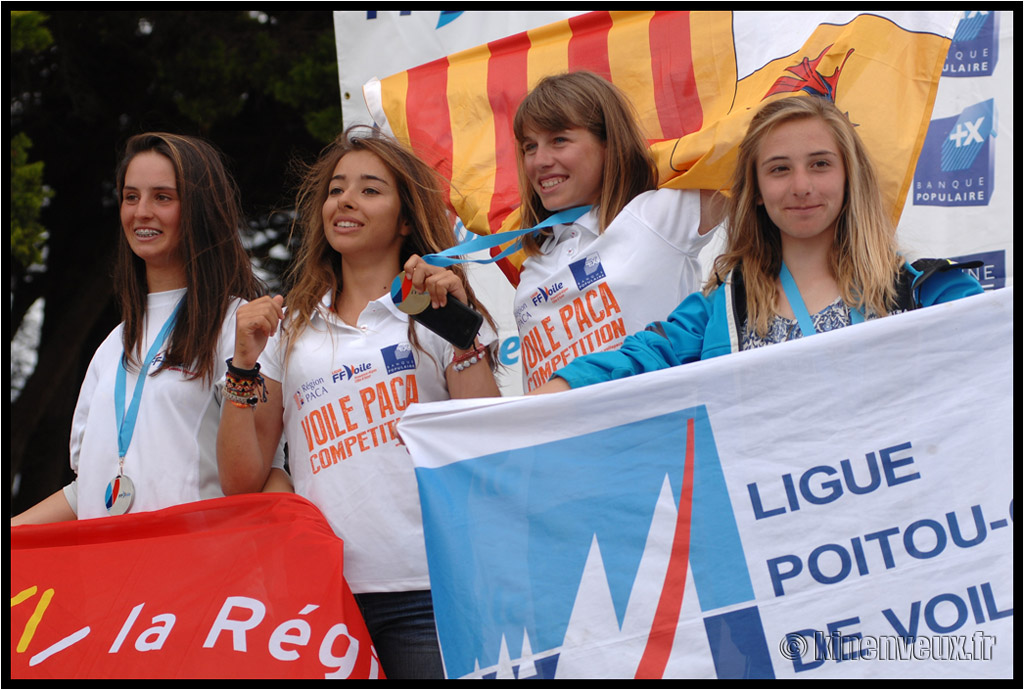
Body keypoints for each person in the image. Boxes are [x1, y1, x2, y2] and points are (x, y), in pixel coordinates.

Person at [216, 126, 501, 679]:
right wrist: (243, 365)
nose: (344, 200)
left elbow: (486, 445)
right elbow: (242, 480)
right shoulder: (290, 328)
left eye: (370, 189)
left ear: (406, 219)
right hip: (323, 597)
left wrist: (462, 331)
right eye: (336, 189)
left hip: (433, 588)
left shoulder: (437, 308)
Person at [533, 95, 985, 393]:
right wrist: (561, 388)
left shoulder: (929, 290)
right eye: (779, 169)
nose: (801, 186)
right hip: (776, 530)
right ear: (756, 188)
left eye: (821, 164)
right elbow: (645, 354)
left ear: (851, 178)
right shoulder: (720, 310)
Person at [12, 132, 277, 525]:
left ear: (201, 209)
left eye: (163, 197)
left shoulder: (245, 328)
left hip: (196, 576)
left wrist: (241, 365)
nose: (141, 212)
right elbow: (90, 488)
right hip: (107, 577)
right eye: (131, 196)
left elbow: (250, 483)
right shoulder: (111, 346)